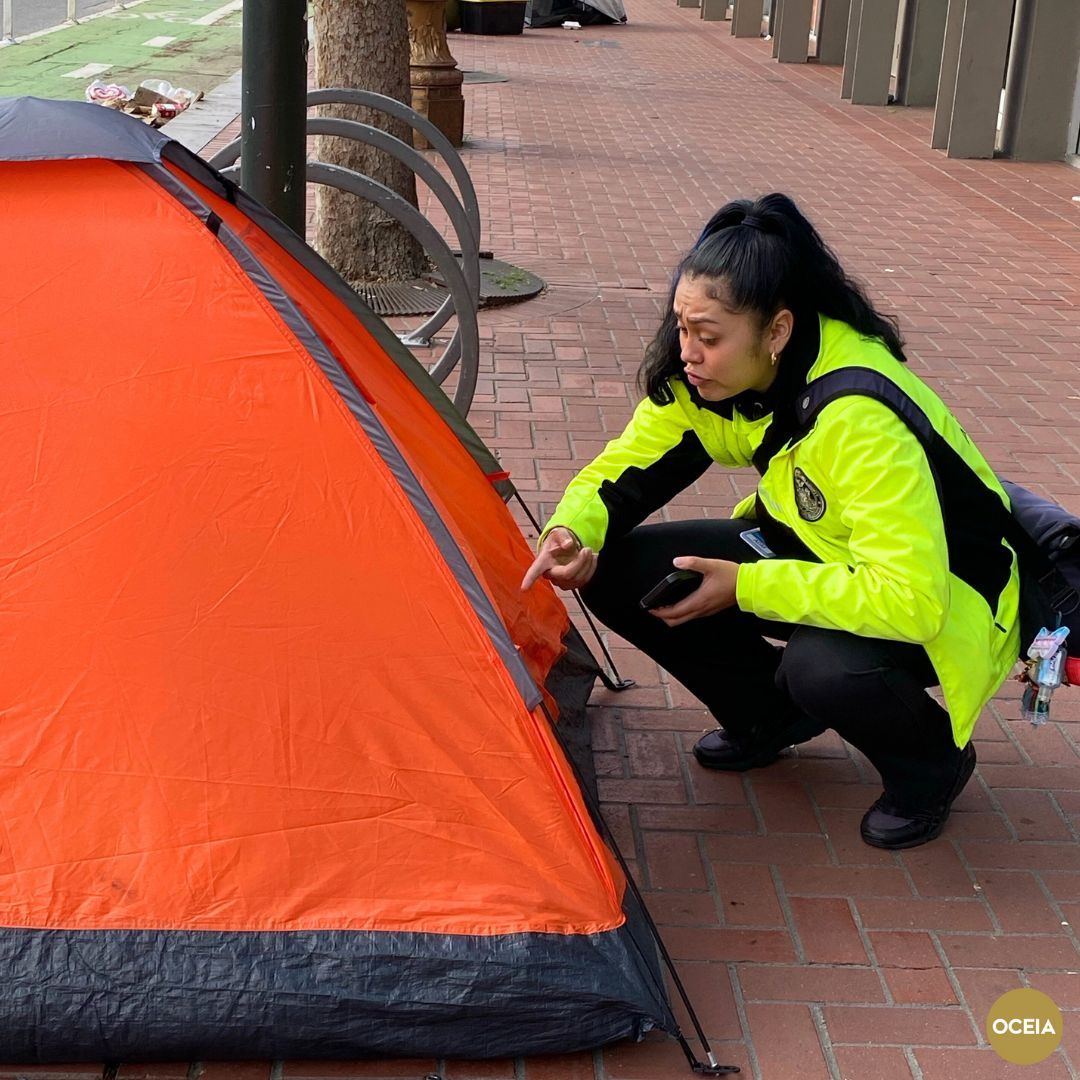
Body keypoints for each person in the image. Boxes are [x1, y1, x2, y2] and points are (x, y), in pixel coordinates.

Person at [521, 193, 1021, 850]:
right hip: (821, 549)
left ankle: (931, 766)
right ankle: (768, 720)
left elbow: (912, 599)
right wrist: (575, 532)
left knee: (822, 666)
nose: (689, 352)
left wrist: (746, 587)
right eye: (682, 328)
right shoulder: (725, 378)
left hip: (951, 593)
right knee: (619, 570)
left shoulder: (859, 416)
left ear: (777, 331)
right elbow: (633, 463)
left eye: (709, 336)